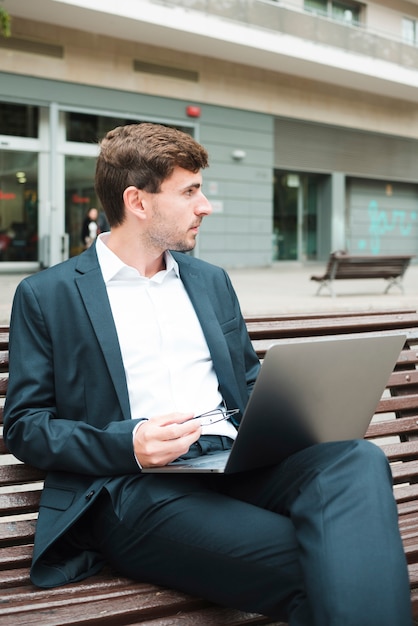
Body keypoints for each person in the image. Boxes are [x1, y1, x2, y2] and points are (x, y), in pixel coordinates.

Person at [4, 123, 412, 626]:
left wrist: (301, 409)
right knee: (340, 562)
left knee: (355, 457)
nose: (206, 206)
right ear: (138, 201)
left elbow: (246, 381)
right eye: (190, 191)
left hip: (233, 464)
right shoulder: (49, 295)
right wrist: (129, 443)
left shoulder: (209, 280)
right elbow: (25, 425)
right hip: (135, 488)